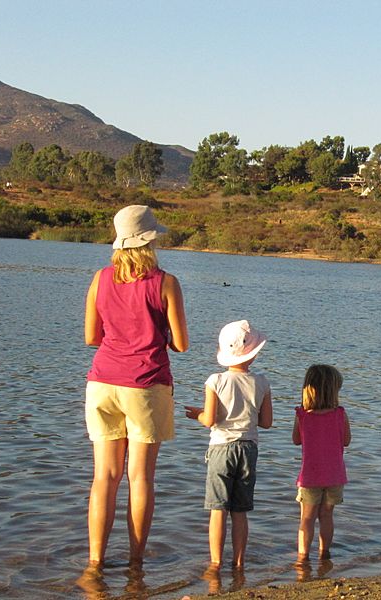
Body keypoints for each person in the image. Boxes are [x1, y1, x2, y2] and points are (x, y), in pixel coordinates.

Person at [83, 204, 189, 567]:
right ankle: (135, 563)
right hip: (146, 383)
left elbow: (90, 336)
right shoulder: (166, 283)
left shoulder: (100, 278)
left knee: (104, 479)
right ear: (151, 240)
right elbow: (181, 344)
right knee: (140, 477)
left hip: (101, 383)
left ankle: (95, 562)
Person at [184, 320, 273, 568]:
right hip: (248, 448)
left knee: (217, 509)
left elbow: (211, 419)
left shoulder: (216, 381)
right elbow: (266, 422)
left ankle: (215, 563)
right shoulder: (262, 383)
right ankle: (239, 562)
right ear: (252, 355)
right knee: (240, 511)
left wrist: (198, 415)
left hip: (221, 448)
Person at [292, 364, 351, 564]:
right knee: (327, 516)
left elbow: (296, 440)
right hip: (334, 475)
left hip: (310, 476)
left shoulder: (302, 415)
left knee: (307, 518)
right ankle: (324, 554)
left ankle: (303, 557)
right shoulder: (340, 414)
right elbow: (346, 441)